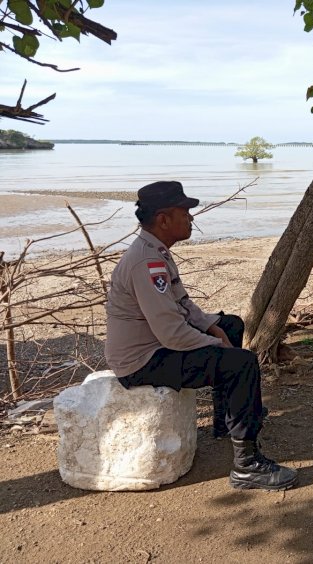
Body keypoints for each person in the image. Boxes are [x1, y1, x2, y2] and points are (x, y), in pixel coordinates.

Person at [104, 180, 297, 491]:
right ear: (164, 219)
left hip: (157, 344)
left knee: (232, 324)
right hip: (142, 361)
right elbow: (172, 333)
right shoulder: (147, 261)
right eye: (185, 213)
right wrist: (217, 345)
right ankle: (247, 465)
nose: (191, 218)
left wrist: (212, 326)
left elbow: (182, 303)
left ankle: (227, 421)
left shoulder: (155, 250)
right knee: (241, 363)